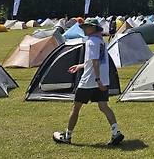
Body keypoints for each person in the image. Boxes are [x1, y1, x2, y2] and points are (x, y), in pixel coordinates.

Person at [53, 18, 124, 146]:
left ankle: (67, 136)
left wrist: (97, 80)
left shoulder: (91, 42)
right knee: (104, 106)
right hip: (103, 80)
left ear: (93, 28)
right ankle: (116, 133)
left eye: (86, 27)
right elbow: (94, 60)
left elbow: (95, 61)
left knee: (75, 107)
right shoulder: (101, 42)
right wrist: (80, 66)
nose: (84, 29)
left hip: (90, 80)